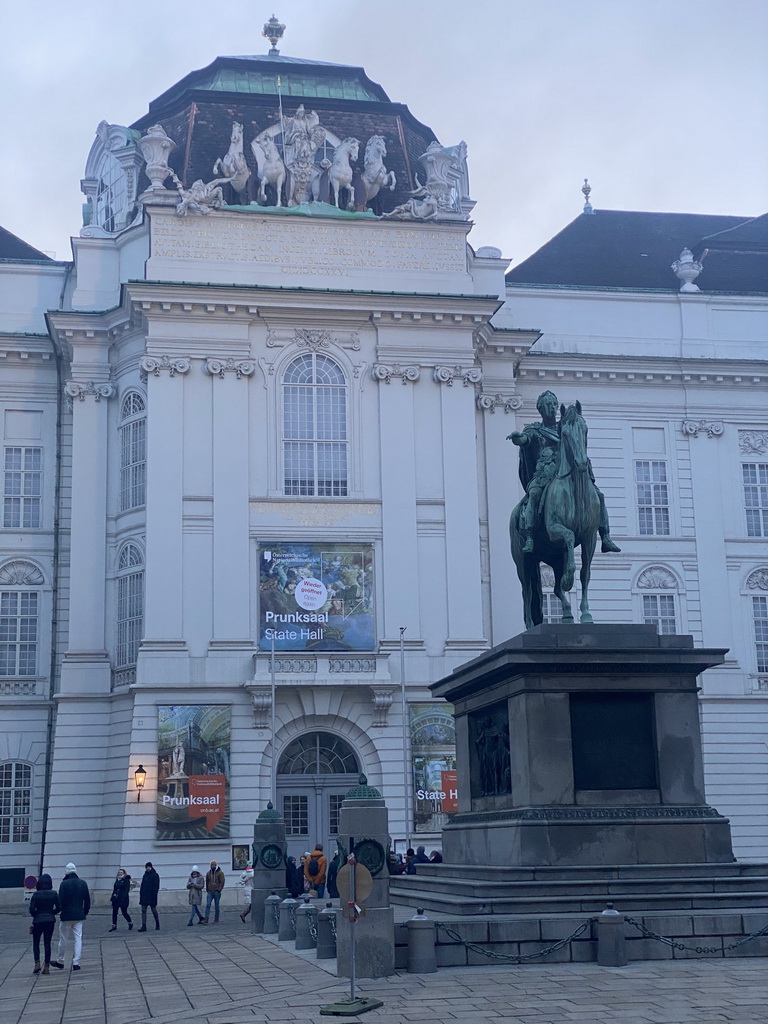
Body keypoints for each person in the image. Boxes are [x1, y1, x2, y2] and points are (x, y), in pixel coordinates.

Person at [51, 862, 90, 972]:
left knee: (63, 939)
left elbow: (60, 901)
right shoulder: (83, 883)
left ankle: (60, 960)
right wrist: (85, 912)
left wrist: (57, 911)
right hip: (79, 915)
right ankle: (76, 962)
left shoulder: (64, 884)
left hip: (66, 915)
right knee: (78, 939)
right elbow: (87, 900)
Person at [29, 873, 59, 975]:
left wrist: (36, 915)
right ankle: (46, 967)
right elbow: (59, 908)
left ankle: (37, 963)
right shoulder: (54, 894)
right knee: (47, 943)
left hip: (38, 921)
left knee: (36, 942)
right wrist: (52, 913)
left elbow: (32, 910)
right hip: (50, 920)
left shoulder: (36, 895)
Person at [138, 862, 160, 931]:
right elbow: (143, 885)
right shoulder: (145, 875)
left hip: (152, 896)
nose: (148, 868)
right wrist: (141, 894)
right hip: (144, 895)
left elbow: (156, 886)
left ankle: (157, 923)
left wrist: (154, 895)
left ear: (151, 867)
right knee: (143, 910)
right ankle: (144, 926)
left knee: (153, 910)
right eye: (147, 867)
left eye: (149, 867)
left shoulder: (155, 875)